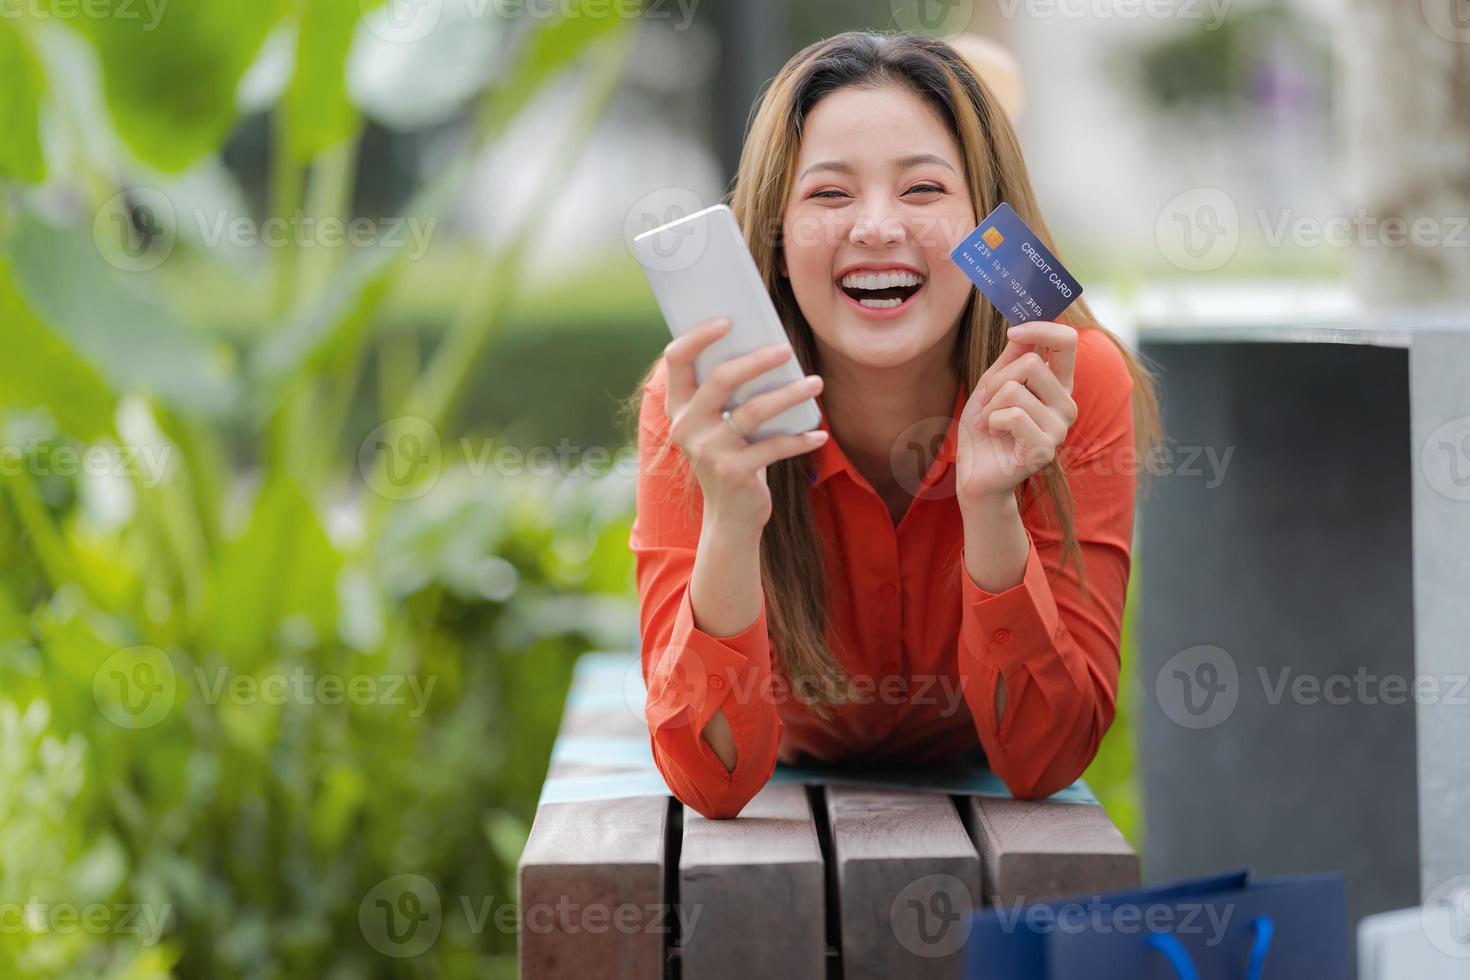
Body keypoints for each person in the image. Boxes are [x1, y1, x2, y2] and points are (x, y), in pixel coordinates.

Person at [629, 31, 1161, 820]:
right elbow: (711, 779)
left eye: (922, 191)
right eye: (830, 195)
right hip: (787, 787)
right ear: (774, 242)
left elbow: (1046, 760)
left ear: (990, 230)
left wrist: (991, 507)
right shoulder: (700, 404)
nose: (877, 228)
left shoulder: (1068, 381)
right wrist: (732, 522)